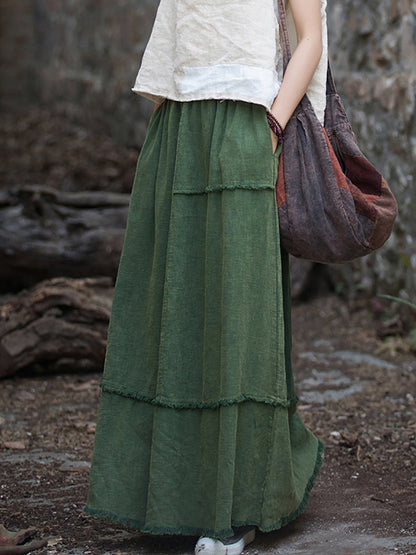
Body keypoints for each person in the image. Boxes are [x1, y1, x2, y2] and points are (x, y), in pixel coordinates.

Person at [84, 1, 327, 553]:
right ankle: (169, 494)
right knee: (172, 305)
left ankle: (237, 505)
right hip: (178, 131)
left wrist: (272, 126)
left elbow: (309, 37)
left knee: (237, 312)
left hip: (249, 122)